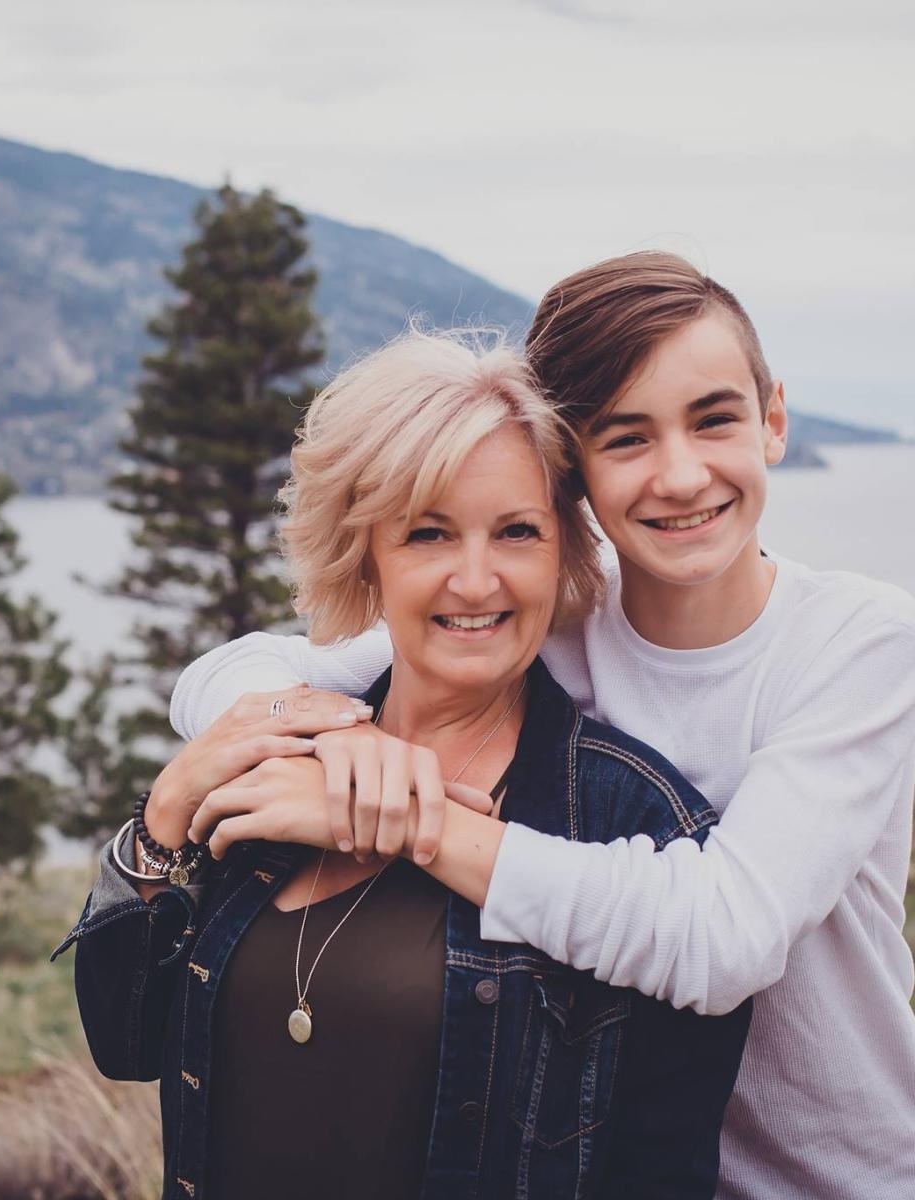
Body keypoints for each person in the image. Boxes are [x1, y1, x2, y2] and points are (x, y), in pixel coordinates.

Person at [171, 252, 915, 1200]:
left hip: (841, 1182)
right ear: (576, 477)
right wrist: (337, 742)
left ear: (773, 419)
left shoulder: (853, 641)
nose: (681, 475)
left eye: (714, 419)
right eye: (627, 437)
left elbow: (724, 939)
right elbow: (234, 673)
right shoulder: (553, 624)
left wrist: (426, 825)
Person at [55, 331, 750, 1200]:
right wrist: (164, 818)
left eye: (517, 532)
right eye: (428, 533)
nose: (475, 578)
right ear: (366, 555)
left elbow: (663, 1175)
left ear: (563, 554)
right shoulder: (279, 753)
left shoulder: (633, 824)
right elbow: (126, 1039)